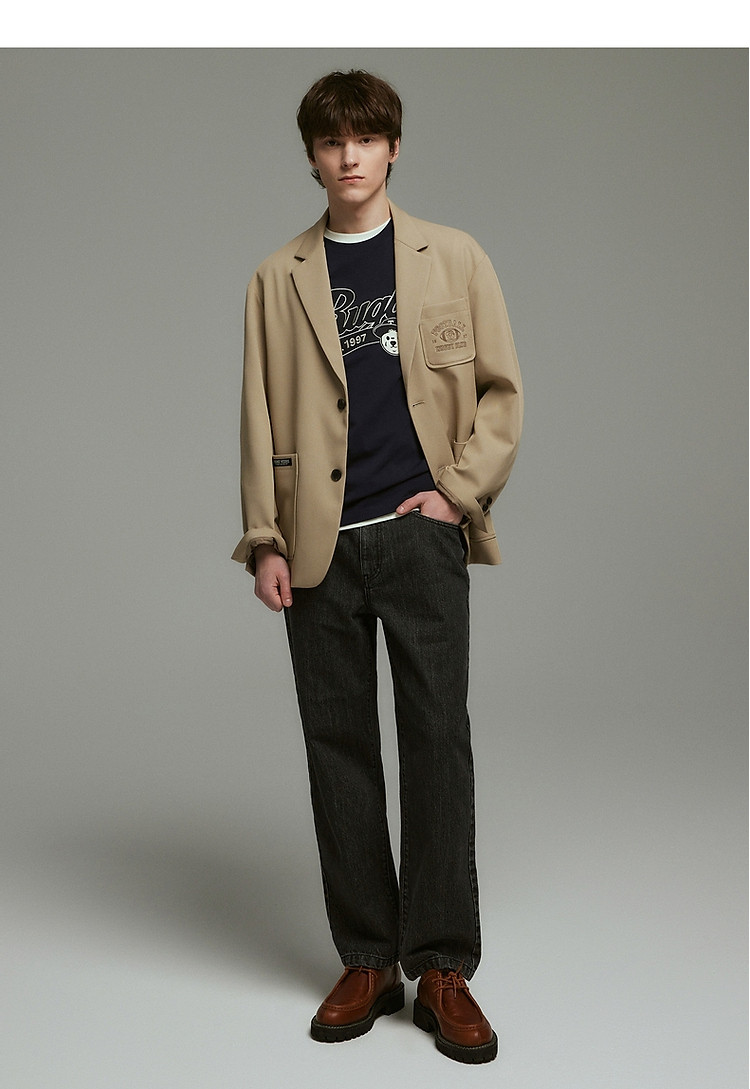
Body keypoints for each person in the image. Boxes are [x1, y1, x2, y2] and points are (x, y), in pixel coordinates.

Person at [232, 69, 522, 1065]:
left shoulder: (456, 256)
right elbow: (259, 413)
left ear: (394, 147)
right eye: (331, 141)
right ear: (312, 157)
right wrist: (265, 538)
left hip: (420, 535)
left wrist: (457, 494)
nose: (349, 155)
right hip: (319, 547)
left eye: (365, 138)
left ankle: (441, 966)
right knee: (338, 748)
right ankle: (367, 957)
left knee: (438, 743)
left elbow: (500, 392)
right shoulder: (277, 278)